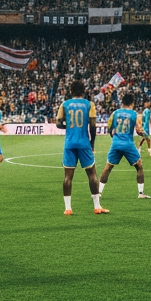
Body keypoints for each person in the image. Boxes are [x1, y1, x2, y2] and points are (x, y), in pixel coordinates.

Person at [55, 80, 106, 214]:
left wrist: (69, 127)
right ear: (84, 91)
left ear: (70, 91)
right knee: (92, 174)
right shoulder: (89, 104)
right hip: (84, 143)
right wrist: (92, 144)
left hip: (70, 143)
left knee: (68, 176)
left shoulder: (64, 104)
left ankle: (68, 208)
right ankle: (97, 206)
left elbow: (58, 123)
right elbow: (93, 126)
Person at [98, 93, 151, 201]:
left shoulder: (115, 113)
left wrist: (113, 136)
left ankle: (98, 192)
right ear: (132, 103)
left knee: (108, 167)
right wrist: (145, 135)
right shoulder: (134, 114)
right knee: (139, 166)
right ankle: (141, 193)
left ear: (122, 103)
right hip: (128, 144)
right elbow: (138, 130)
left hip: (116, 143)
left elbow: (110, 128)